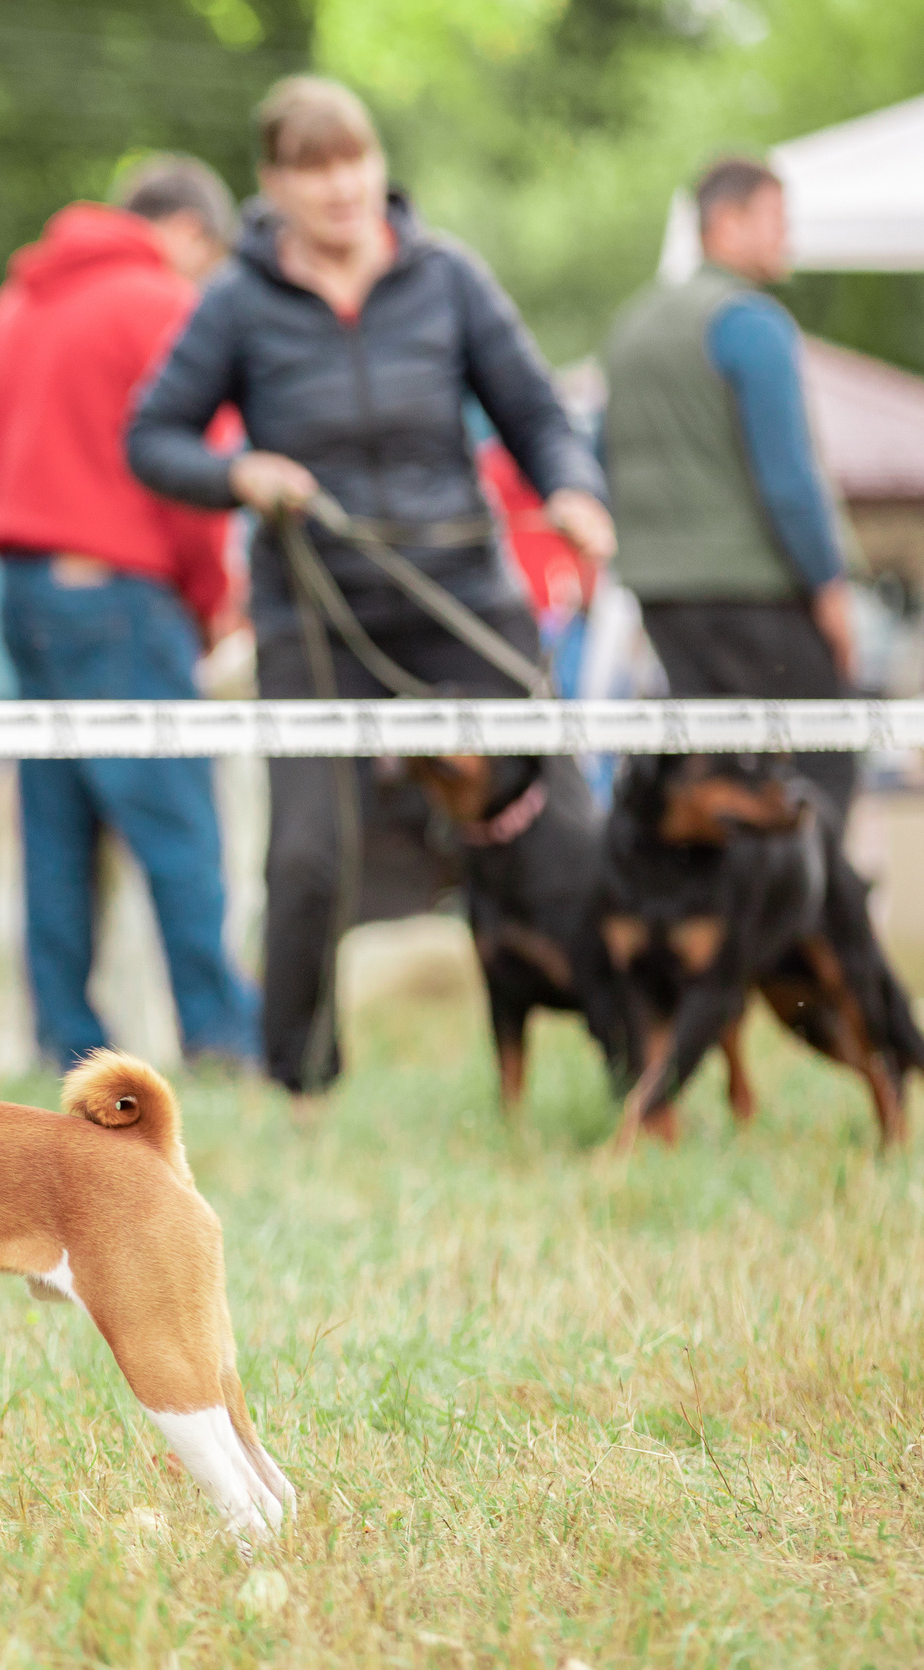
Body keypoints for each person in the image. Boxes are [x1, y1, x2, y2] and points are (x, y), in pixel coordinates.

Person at [127, 76, 615, 1095]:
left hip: (459, 598)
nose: (341, 185)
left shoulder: (448, 278)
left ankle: (627, 1054)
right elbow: (151, 438)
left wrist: (571, 488)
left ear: (378, 167)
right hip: (316, 610)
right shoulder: (236, 301)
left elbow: (535, 409)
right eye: (313, 167)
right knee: (306, 856)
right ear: (274, 184)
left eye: (354, 160)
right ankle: (298, 1086)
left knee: (561, 821)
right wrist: (238, 475)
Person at [0, 153, 259, 1071]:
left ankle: (68, 1041)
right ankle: (219, 1036)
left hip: (24, 591)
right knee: (177, 827)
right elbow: (193, 475)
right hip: (124, 594)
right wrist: (212, 600)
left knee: (55, 830)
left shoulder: (13, 308)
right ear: (194, 236)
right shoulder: (162, 304)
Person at [601, 156, 858, 820]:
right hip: (758, 593)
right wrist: (828, 584)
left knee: (714, 782)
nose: (788, 238)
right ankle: (814, 919)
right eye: (776, 220)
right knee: (819, 769)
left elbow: (601, 453)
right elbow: (790, 479)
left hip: (660, 593)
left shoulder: (630, 325)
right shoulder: (750, 321)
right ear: (727, 222)